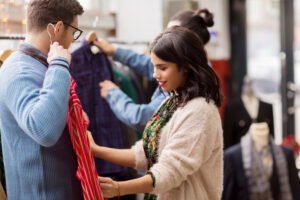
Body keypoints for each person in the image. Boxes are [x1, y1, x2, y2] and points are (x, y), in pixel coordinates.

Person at [89, 26, 223, 200]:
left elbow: (169, 172)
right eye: (154, 67)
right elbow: (146, 152)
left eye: (162, 68)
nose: (155, 75)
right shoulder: (171, 102)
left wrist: (118, 188)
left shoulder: (200, 112)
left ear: (186, 67)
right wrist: (97, 150)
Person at [0, 0, 84, 199]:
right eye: (74, 32)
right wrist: (59, 64)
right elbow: (44, 130)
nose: (73, 41)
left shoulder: (37, 65)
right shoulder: (20, 71)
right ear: (58, 28)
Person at [94, 9, 214, 131]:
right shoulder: (192, 71)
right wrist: (115, 52)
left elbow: (143, 118)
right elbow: (148, 64)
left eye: (172, 33)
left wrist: (113, 94)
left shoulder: (186, 90)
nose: (155, 74)